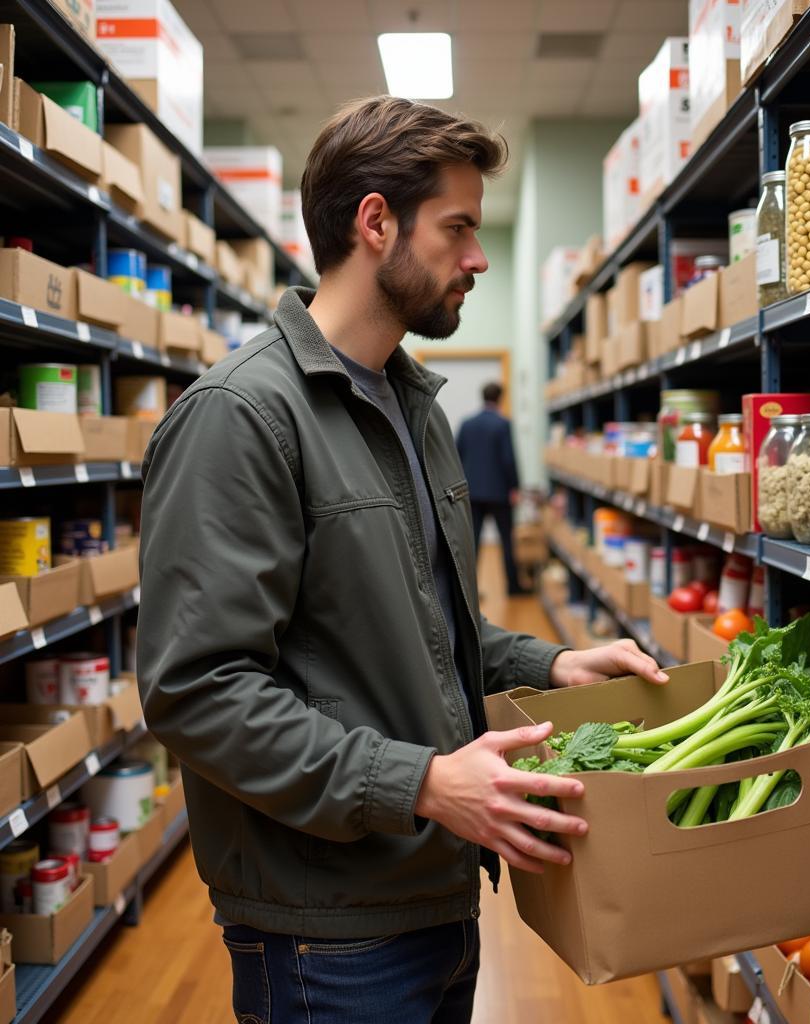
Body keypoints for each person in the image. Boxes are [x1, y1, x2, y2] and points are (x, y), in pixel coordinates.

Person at [136, 95, 668, 1024]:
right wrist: (421, 782)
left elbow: (415, 624)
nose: (478, 257)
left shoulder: (415, 408)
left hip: (433, 890)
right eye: (457, 227)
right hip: (325, 930)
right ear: (374, 222)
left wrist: (552, 663)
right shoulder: (243, 416)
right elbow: (198, 689)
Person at [456, 381, 525, 595]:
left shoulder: (467, 424)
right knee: (506, 540)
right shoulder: (503, 424)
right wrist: (515, 487)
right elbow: (508, 459)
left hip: (472, 492)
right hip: (499, 493)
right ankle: (513, 587)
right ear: (500, 398)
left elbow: (456, 456)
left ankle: (469, 591)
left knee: (472, 543)